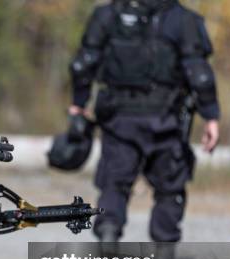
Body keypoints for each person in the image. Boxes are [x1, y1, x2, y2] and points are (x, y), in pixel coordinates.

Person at [69, 0, 220, 242]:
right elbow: (199, 75)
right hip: (166, 122)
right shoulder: (183, 19)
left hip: (120, 120)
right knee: (170, 191)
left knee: (114, 186)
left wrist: (78, 103)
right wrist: (211, 116)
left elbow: (83, 63)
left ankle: (108, 244)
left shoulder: (107, 15)